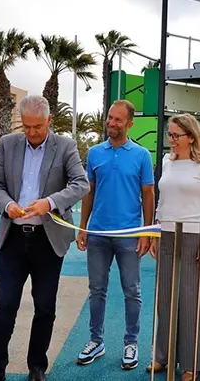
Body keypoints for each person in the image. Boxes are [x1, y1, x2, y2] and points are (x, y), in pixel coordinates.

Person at [0, 95, 89, 381]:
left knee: (45, 306)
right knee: (5, 304)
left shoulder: (65, 146)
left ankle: (37, 368)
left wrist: (50, 202)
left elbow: (81, 184)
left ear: (49, 121)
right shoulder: (7, 144)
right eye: (27, 127)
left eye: (38, 127)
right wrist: (7, 204)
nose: (31, 133)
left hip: (47, 240)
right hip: (12, 239)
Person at [75, 99, 155, 370]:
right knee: (96, 290)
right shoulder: (95, 153)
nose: (111, 123)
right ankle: (96, 341)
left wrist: (147, 233)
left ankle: (131, 343)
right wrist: (84, 227)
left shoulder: (142, 155)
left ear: (129, 124)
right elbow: (89, 192)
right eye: (109, 118)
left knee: (132, 291)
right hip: (97, 234)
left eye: (118, 119)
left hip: (130, 235)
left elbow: (148, 194)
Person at [147, 113, 200, 381]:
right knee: (164, 300)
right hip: (166, 234)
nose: (172, 140)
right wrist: (155, 232)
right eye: (170, 135)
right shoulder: (168, 162)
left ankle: (192, 364)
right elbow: (162, 199)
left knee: (191, 302)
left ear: (191, 137)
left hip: (194, 237)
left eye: (176, 135)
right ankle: (163, 357)